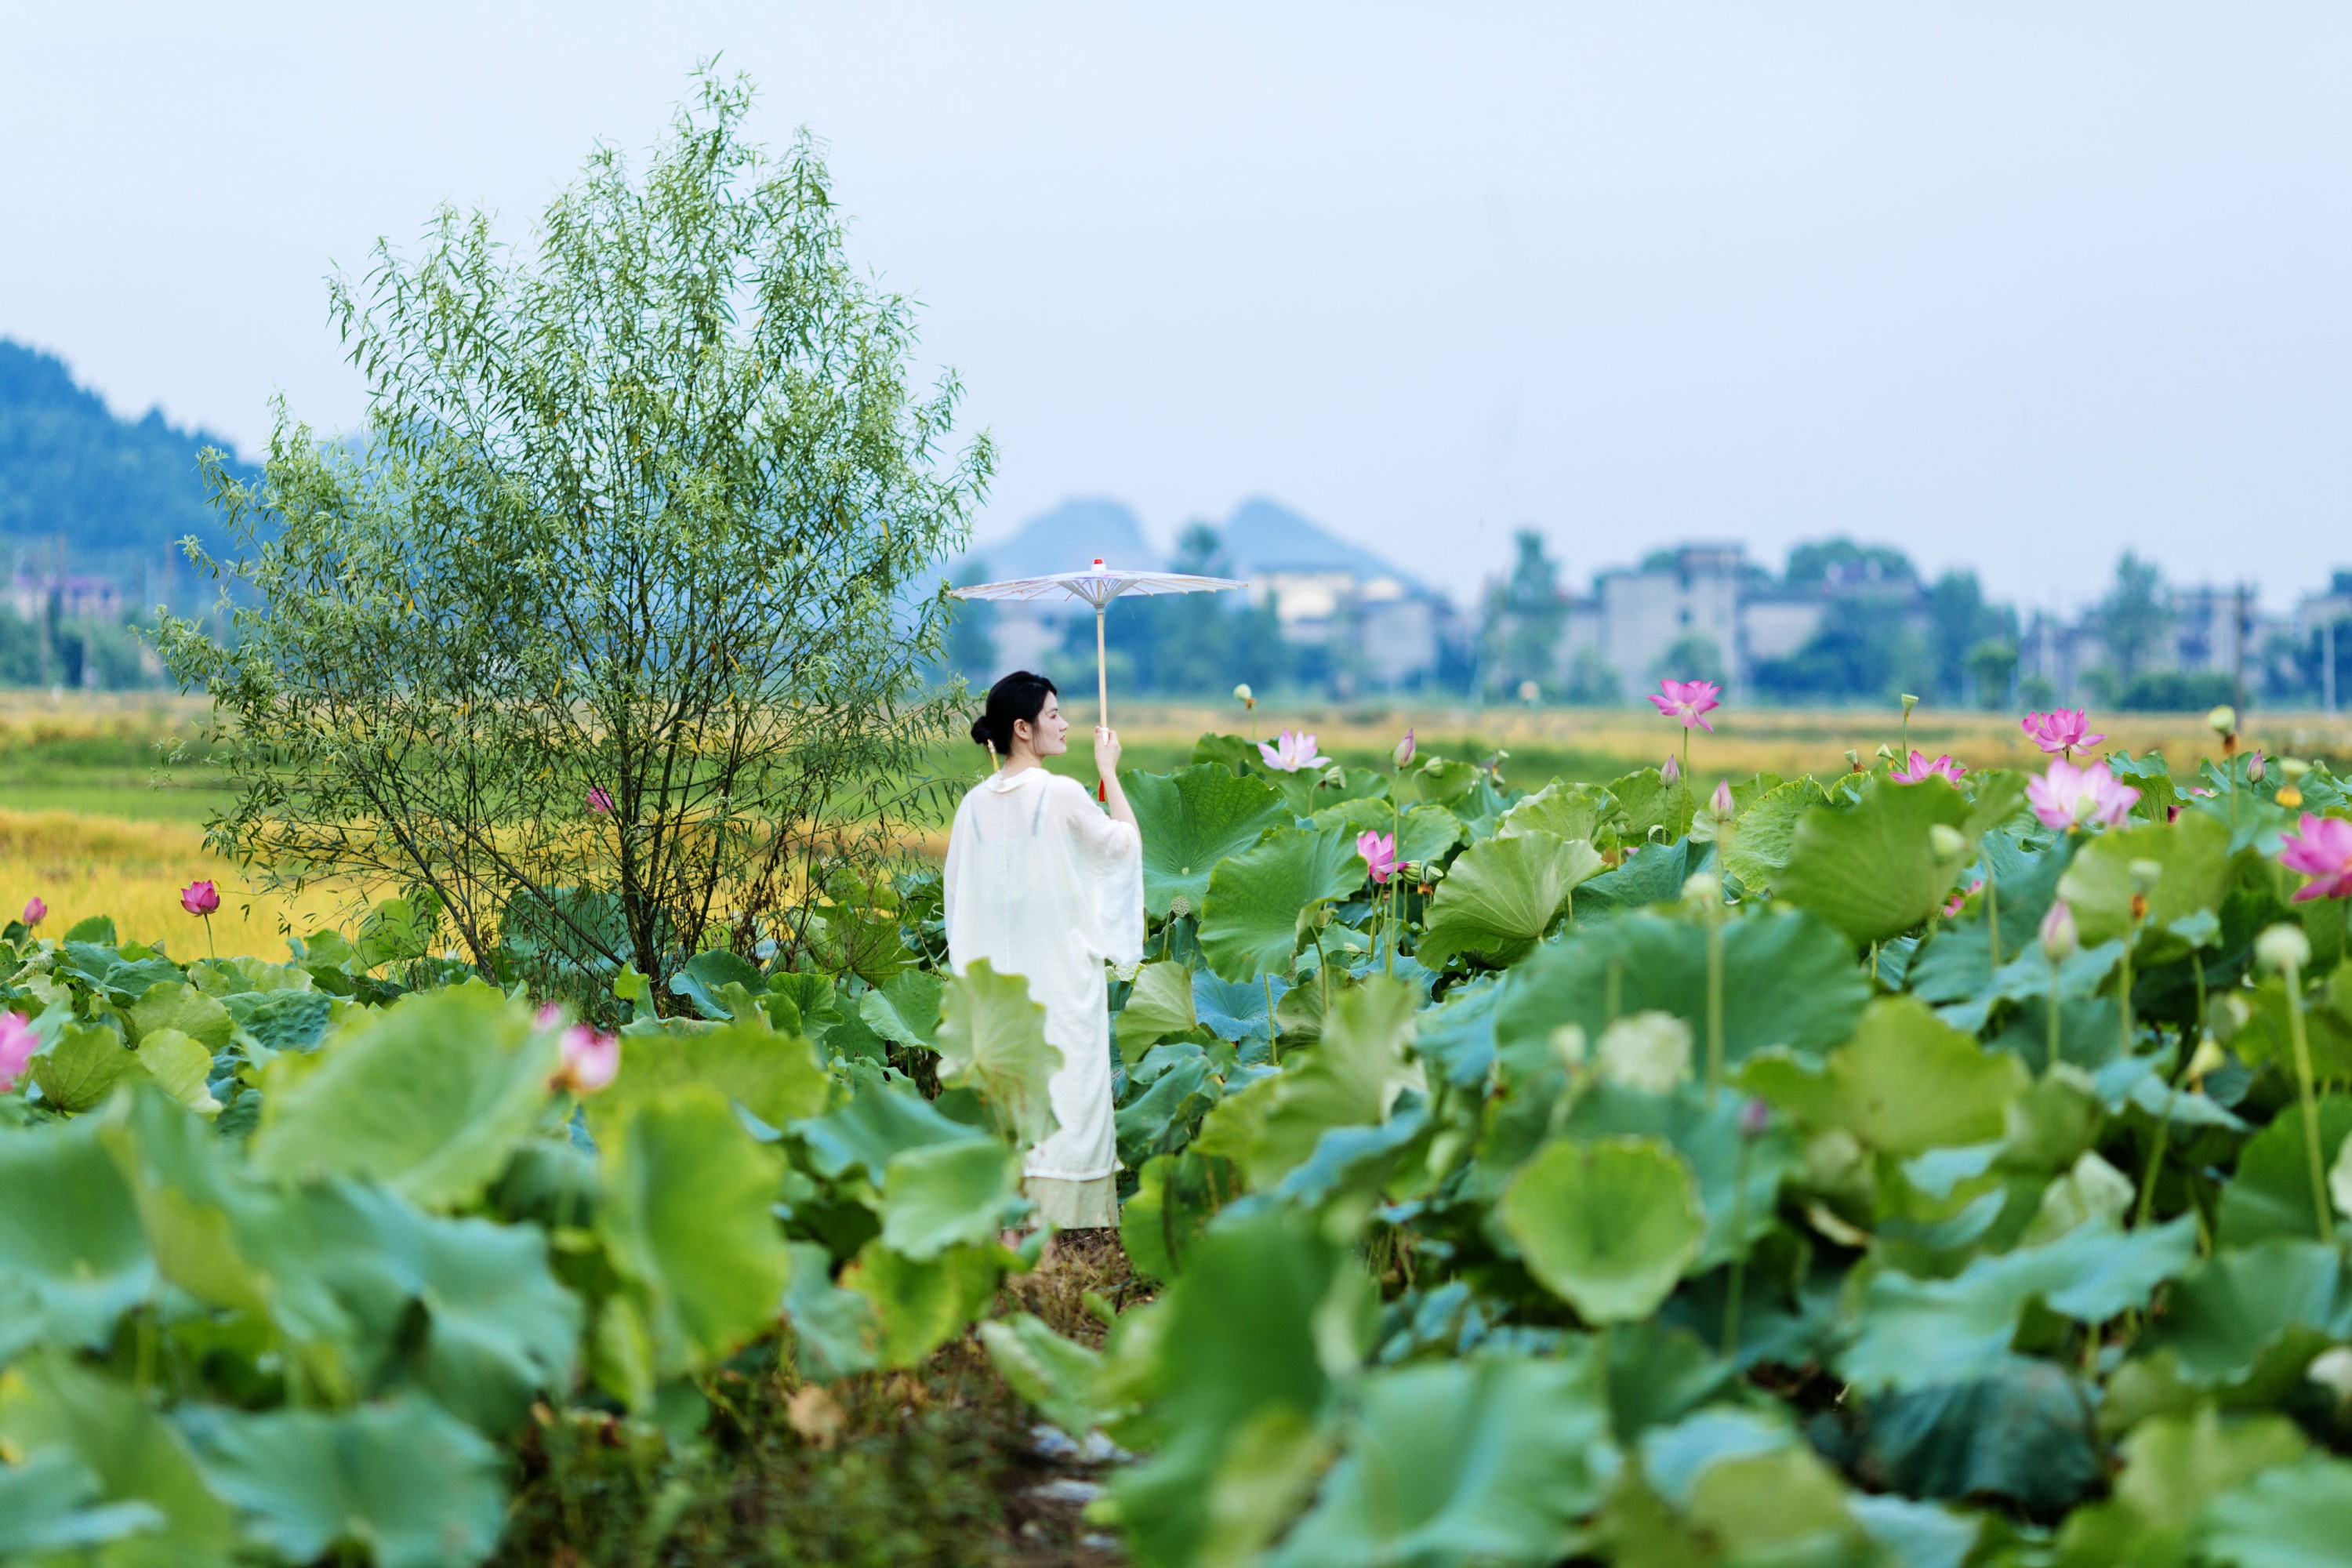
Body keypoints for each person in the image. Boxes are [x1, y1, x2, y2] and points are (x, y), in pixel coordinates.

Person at [942, 670, 1142, 1232]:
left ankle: (1007, 1219)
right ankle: (1067, 1229)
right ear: (1023, 728)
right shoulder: (1062, 792)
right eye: (1054, 715)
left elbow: (956, 905)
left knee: (1010, 1097)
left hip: (995, 996)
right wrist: (1109, 773)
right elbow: (1122, 849)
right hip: (1058, 984)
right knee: (1067, 1092)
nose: (1066, 724)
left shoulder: (971, 805)